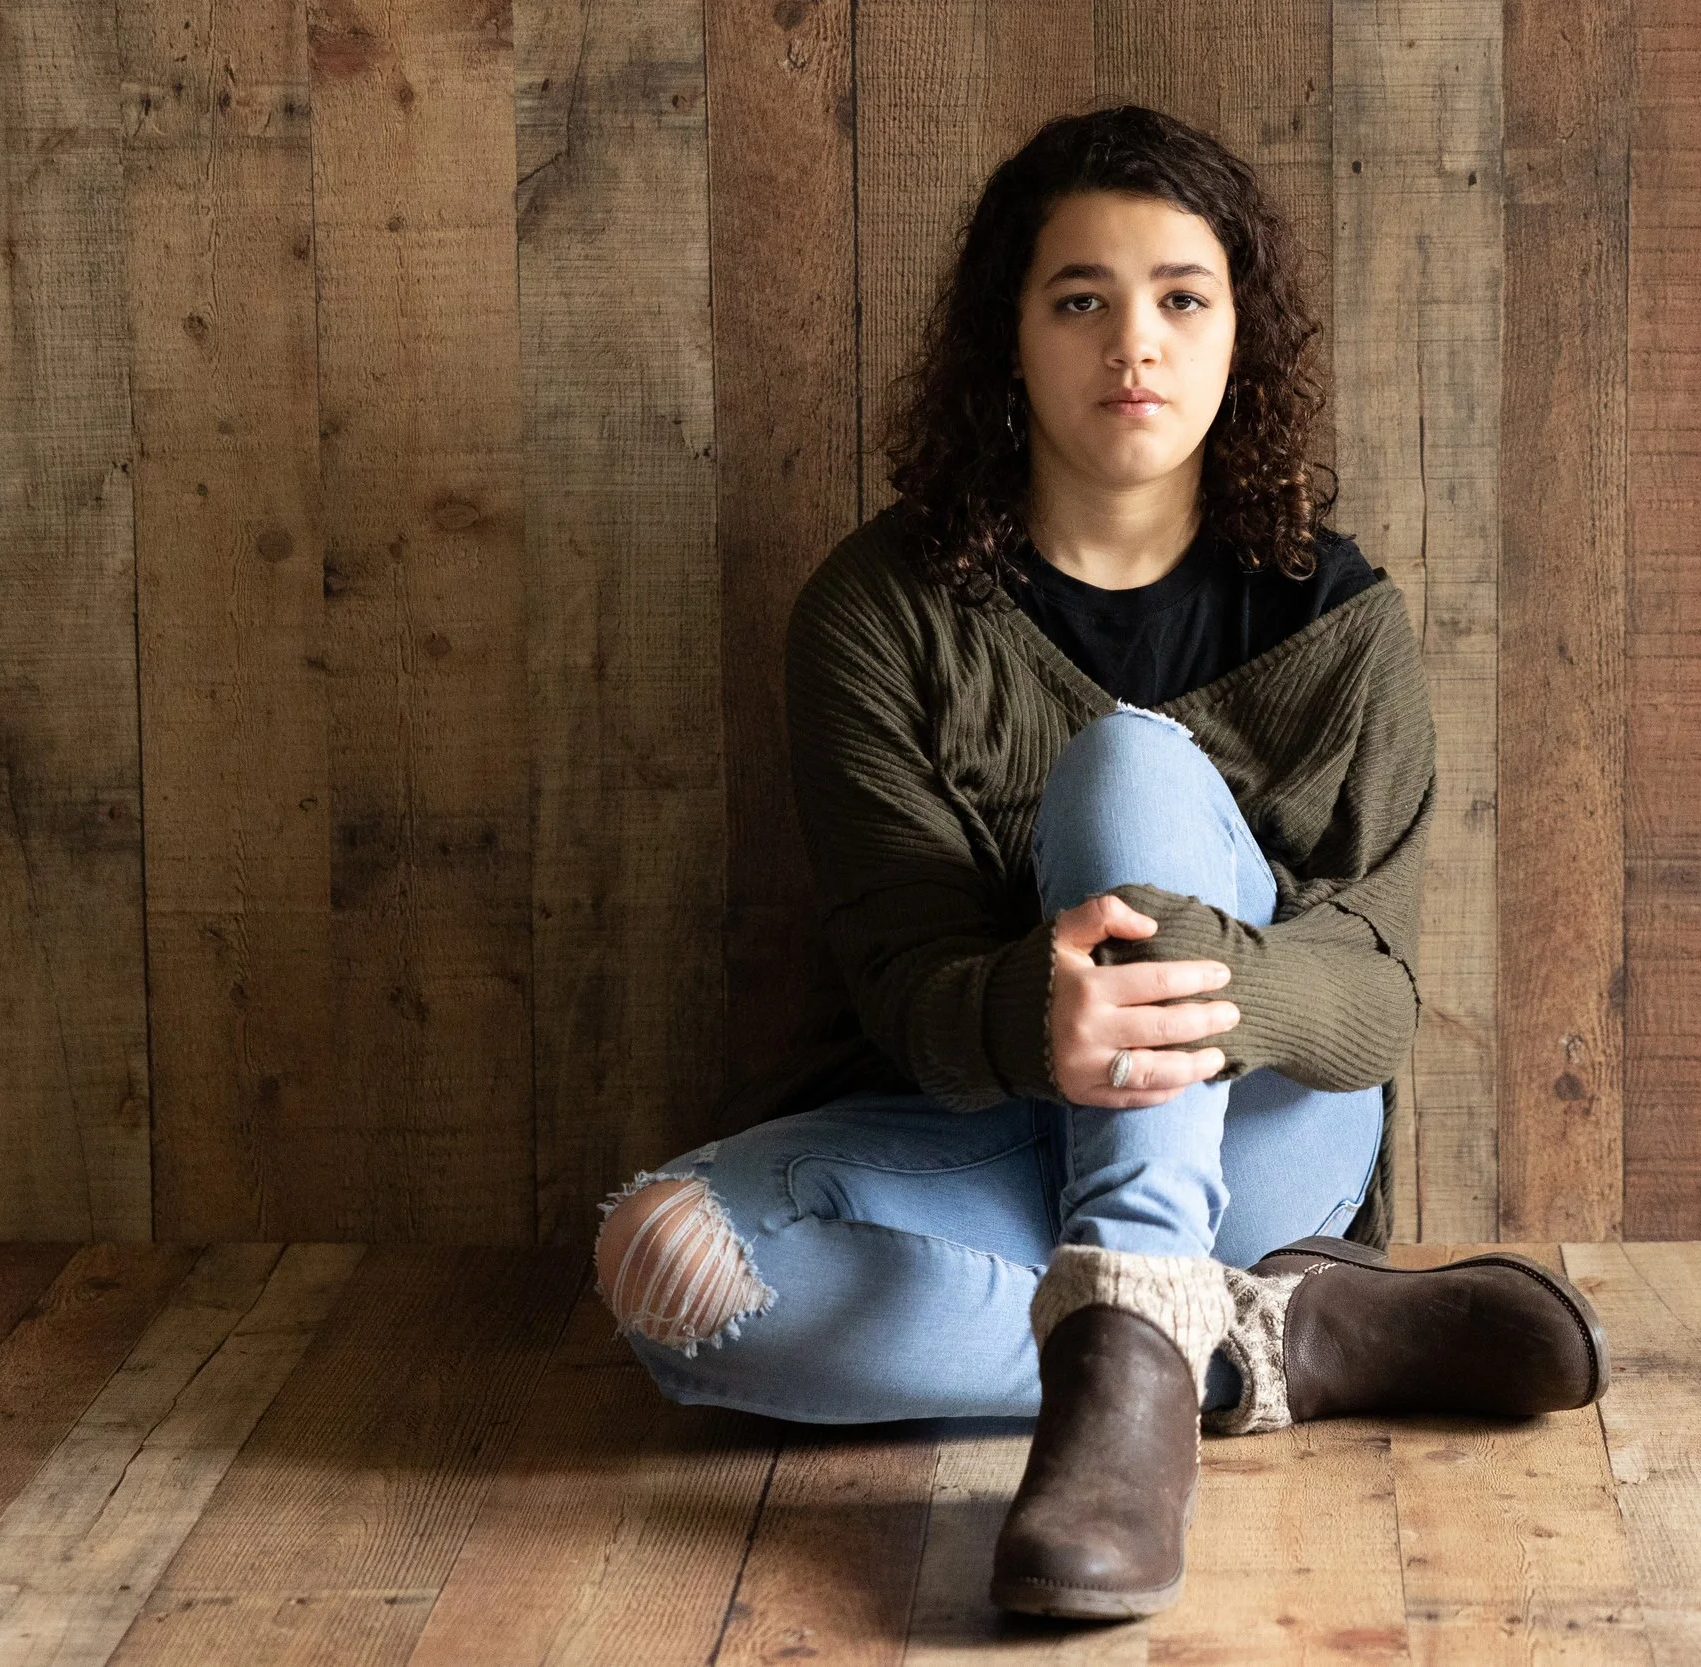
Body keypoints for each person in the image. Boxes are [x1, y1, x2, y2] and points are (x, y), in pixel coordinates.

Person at [590, 104, 1609, 1623]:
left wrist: (1199, 974)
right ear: (1010, 336)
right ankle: (1268, 1343)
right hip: (995, 1134)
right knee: (668, 1268)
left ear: (1236, 334)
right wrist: (1029, 1014)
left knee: (1130, 761)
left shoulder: (1339, 624)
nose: (1135, 340)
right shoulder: (877, 614)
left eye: (1181, 297)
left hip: (1261, 1143)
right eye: (1081, 299)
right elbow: (901, 972)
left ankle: (1131, 1360)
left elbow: (1376, 1003)